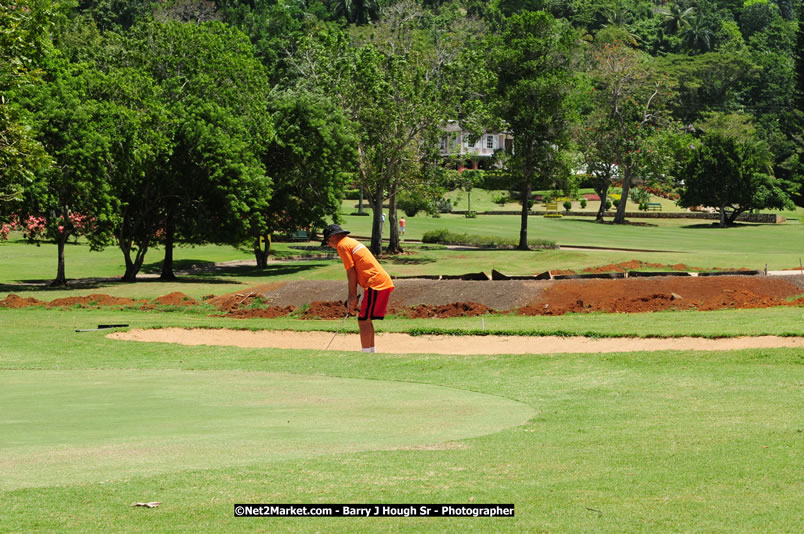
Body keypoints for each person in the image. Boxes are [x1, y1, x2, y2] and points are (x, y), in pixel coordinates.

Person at [322, 224, 394, 353]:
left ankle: (366, 353)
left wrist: (352, 297)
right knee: (365, 319)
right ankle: (370, 352)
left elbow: (351, 272)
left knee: (363, 319)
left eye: (328, 241)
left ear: (335, 237)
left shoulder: (342, 245)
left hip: (376, 283)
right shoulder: (349, 242)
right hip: (378, 282)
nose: (328, 244)